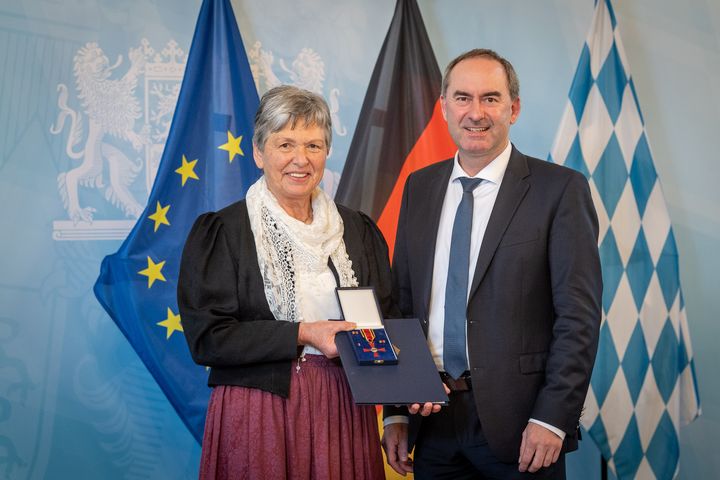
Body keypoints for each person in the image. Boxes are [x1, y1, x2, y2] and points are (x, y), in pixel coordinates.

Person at [382, 49, 602, 479]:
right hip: (433, 420)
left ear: (513, 109)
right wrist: (397, 411)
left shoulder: (559, 190)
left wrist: (553, 416)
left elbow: (578, 318)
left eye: (491, 98)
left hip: (524, 426)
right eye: (462, 98)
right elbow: (403, 304)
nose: (475, 113)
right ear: (443, 107)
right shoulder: (420, 187)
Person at [178, 85, 395, 479]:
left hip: (345, 405)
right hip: (259, 409)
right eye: (285, 144)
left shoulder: (359, 230)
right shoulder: (223, 231)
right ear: (259, 152)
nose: (300, 160)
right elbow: (208, 338)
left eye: (313, 145)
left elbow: (388, 322)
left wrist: (406, 399)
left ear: (327, 153)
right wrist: (304, 333)